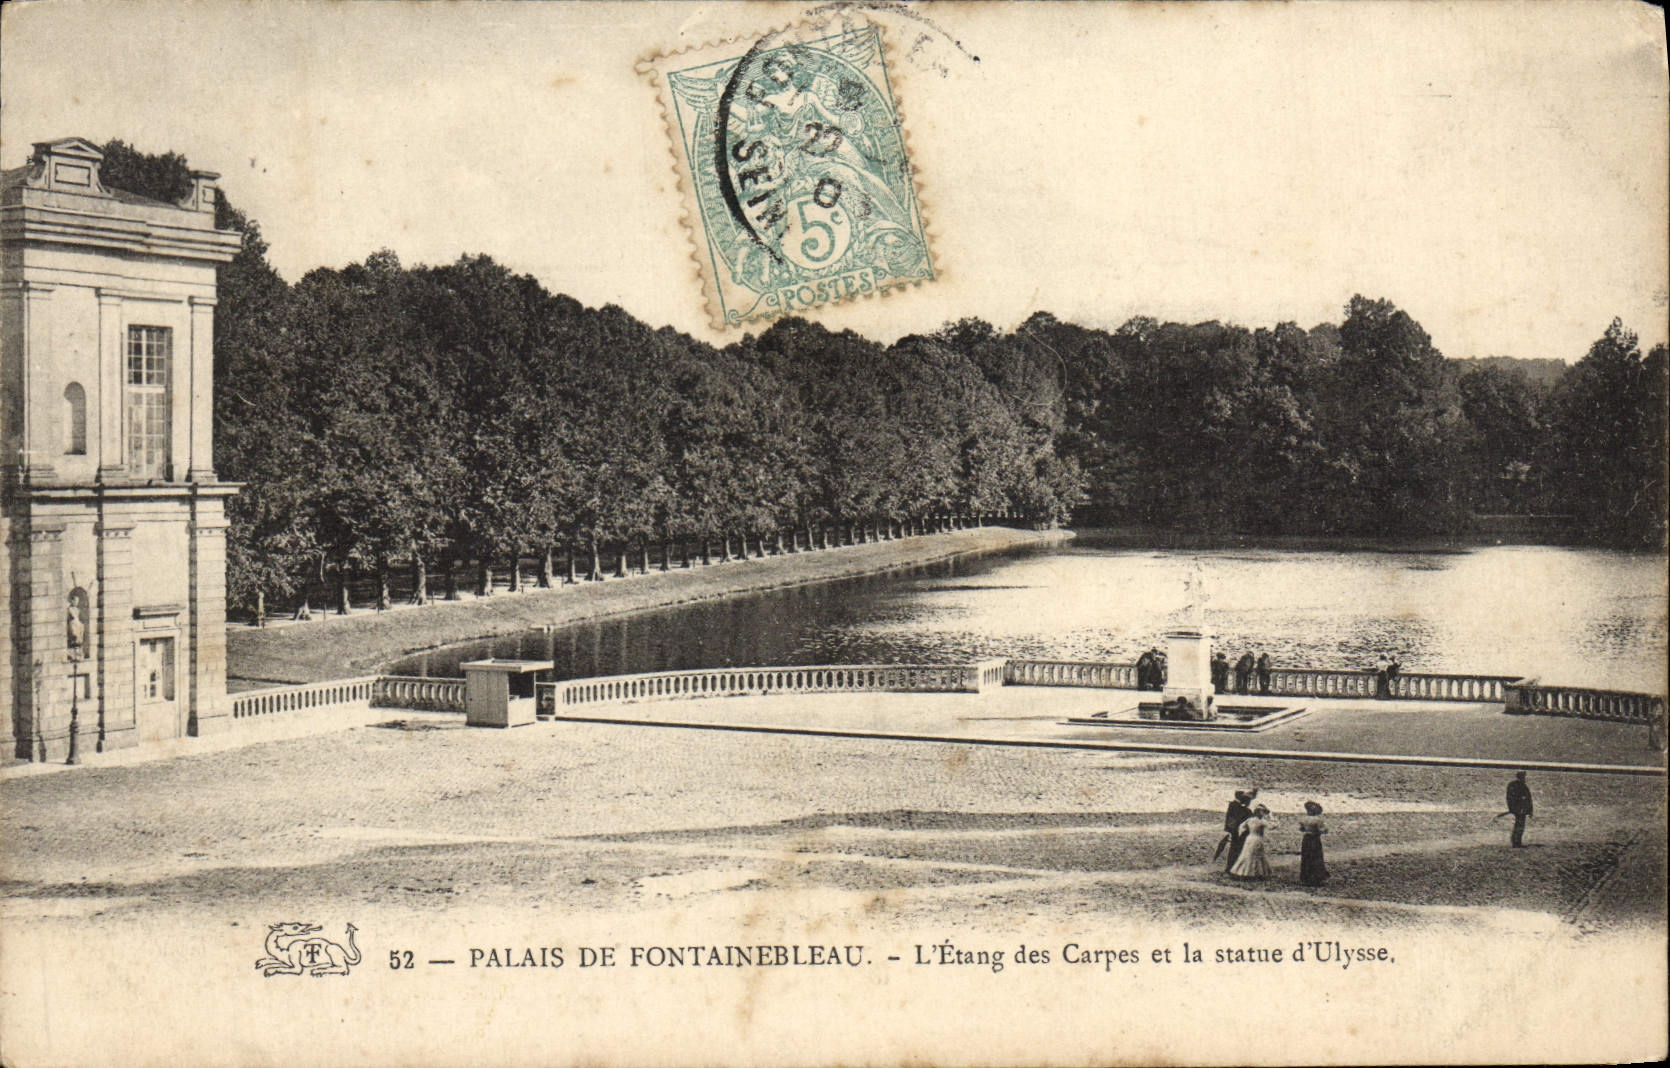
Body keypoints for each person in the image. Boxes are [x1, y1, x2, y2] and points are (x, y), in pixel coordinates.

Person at [1228, 804, 1274, 880]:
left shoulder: (1249, 820)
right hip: (1257, 839)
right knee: (1256, 855)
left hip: (1249, 839)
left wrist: (1241, 834)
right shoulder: (1261, 821)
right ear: (1258, 812)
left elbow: (1241, 826)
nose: (1263, 814)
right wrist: (1271, 817)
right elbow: (1272, 826)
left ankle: (1243, 872)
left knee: (1247, 855)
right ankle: (1255, 873)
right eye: (1263, 812)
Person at [1220, 788, 1257, 871]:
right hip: (1238, 832)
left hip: (1235, 831)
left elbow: (1231, 820)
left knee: (1235, 849)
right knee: (1238, 849)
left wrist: (1229, 830)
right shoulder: (1241, 809)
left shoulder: (1234, 805)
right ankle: (1234, 867)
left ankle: (1231, 867)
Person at [1298, 801, 1329, 886]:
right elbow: (1323, 830)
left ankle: (1306, 878)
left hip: (1306, 839)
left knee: (1306, 857)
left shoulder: (1303, 819)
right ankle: (1316, 878)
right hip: (1314, 839)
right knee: (1316, 857)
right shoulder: (1317, 819)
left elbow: (1301, 829)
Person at [1507, 771, 1533, 847]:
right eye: (1523, 776)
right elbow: (1527, 799)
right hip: (1521, 810)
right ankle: (1516, 842)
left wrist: (1512, 808)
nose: (1524, 778)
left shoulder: (1514, 785)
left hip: (1520, 809)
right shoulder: (1520, 786)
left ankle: (1516, 841)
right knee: (1520, 825)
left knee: (1518, 825)